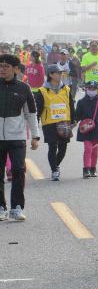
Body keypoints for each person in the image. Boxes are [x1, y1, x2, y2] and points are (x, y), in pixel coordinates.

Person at [0, 54, 39, 222]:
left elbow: (31, 113)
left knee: (18, 171)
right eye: (0, 66)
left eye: (6, 66)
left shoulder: (24, 88)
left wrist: (35, 136)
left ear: (16, 69)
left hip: (17, 137)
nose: (2, 69)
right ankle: (1, 207)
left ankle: (17, 207)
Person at [34, 66, 73, 181]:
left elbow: (70, 105)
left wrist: (74, 119)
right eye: (58, 73)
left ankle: (55, 165)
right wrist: (35, 122)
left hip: (64, 122)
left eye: (61, 73)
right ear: (51, 75)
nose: (60, 75)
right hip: (49, 123)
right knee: (52, 146)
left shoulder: (66, 88)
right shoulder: (42, 91)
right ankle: (54, 171)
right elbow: (39, 108)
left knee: (63, 147)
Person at [73, 81, 98, 178]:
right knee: (87, 148)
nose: (91, 90)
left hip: (97, 129)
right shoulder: (81, 102)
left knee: (94, 150)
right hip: (85, 129)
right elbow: (77, 115)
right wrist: (73, 123)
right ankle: (86, 169)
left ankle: (93, 168)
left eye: (94, 89)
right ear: (86, 89)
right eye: (89, 88)